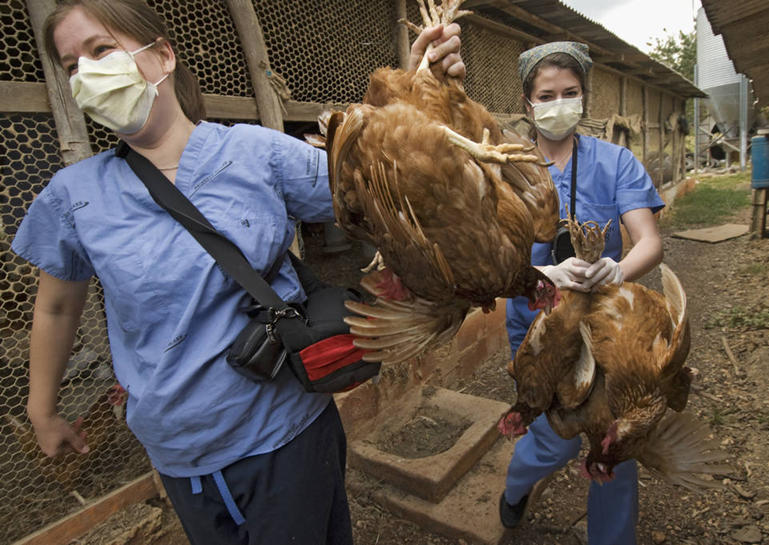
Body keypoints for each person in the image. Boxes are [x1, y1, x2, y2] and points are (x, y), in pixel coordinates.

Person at [11, 1, 464, 543]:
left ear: (163, 55)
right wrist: (42, 410)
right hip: (176, 453)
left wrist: (417, 95)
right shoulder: (75, 195)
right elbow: (57, 306)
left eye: (101, 49)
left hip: (286, 434)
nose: (87, 73)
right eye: (72, 66)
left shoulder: (255, 153)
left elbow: (388, 183)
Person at [498, 42, 665, 545]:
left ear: (584, 96)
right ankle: (516, 486)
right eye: (547, 95)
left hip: (606, 324)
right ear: (528, 103)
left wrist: (618, 269)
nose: (559, 104)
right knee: (553, 440)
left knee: (614, 443)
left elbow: (649, 241)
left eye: (570, 93)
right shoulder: (505, 169)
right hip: (537, 325)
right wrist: (543, 272)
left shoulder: (616, 162)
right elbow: (490, 261)